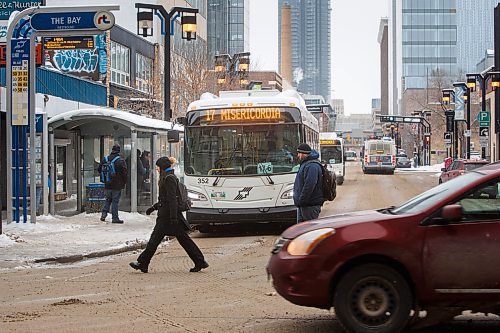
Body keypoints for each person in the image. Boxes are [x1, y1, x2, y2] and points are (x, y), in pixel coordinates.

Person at [129, 156, 208, 273]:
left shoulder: (169, 178)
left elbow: (172, 199)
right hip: (168, 215)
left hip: (168, 217)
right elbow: (165, 199)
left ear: (162, 167)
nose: (157, 169)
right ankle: (199, 261)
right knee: (179, 240)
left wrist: (173, 217)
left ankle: (143, 262)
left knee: (157, 240)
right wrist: (154, 207)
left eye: (158, 167)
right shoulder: (167, 177)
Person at [293, 143, 324, 223]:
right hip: (304, 205)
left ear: (304, 154)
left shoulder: (312, 166)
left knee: (310, 231)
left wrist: (301, 200)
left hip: (310, 205)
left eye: (299, 153)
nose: (298, 155)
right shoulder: (305, 164)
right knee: (301, 232)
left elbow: (309, 185)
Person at [98, 143, 128, 223]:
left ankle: (103, 215)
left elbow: (99, 169)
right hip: (117, 185)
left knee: (108, 199)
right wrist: (124, 182)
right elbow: (125, 173)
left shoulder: (105, 159)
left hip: (107, 183)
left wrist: (106, 177)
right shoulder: (121, 161)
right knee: (115, 201)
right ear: (119, 151)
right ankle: (115, 218)